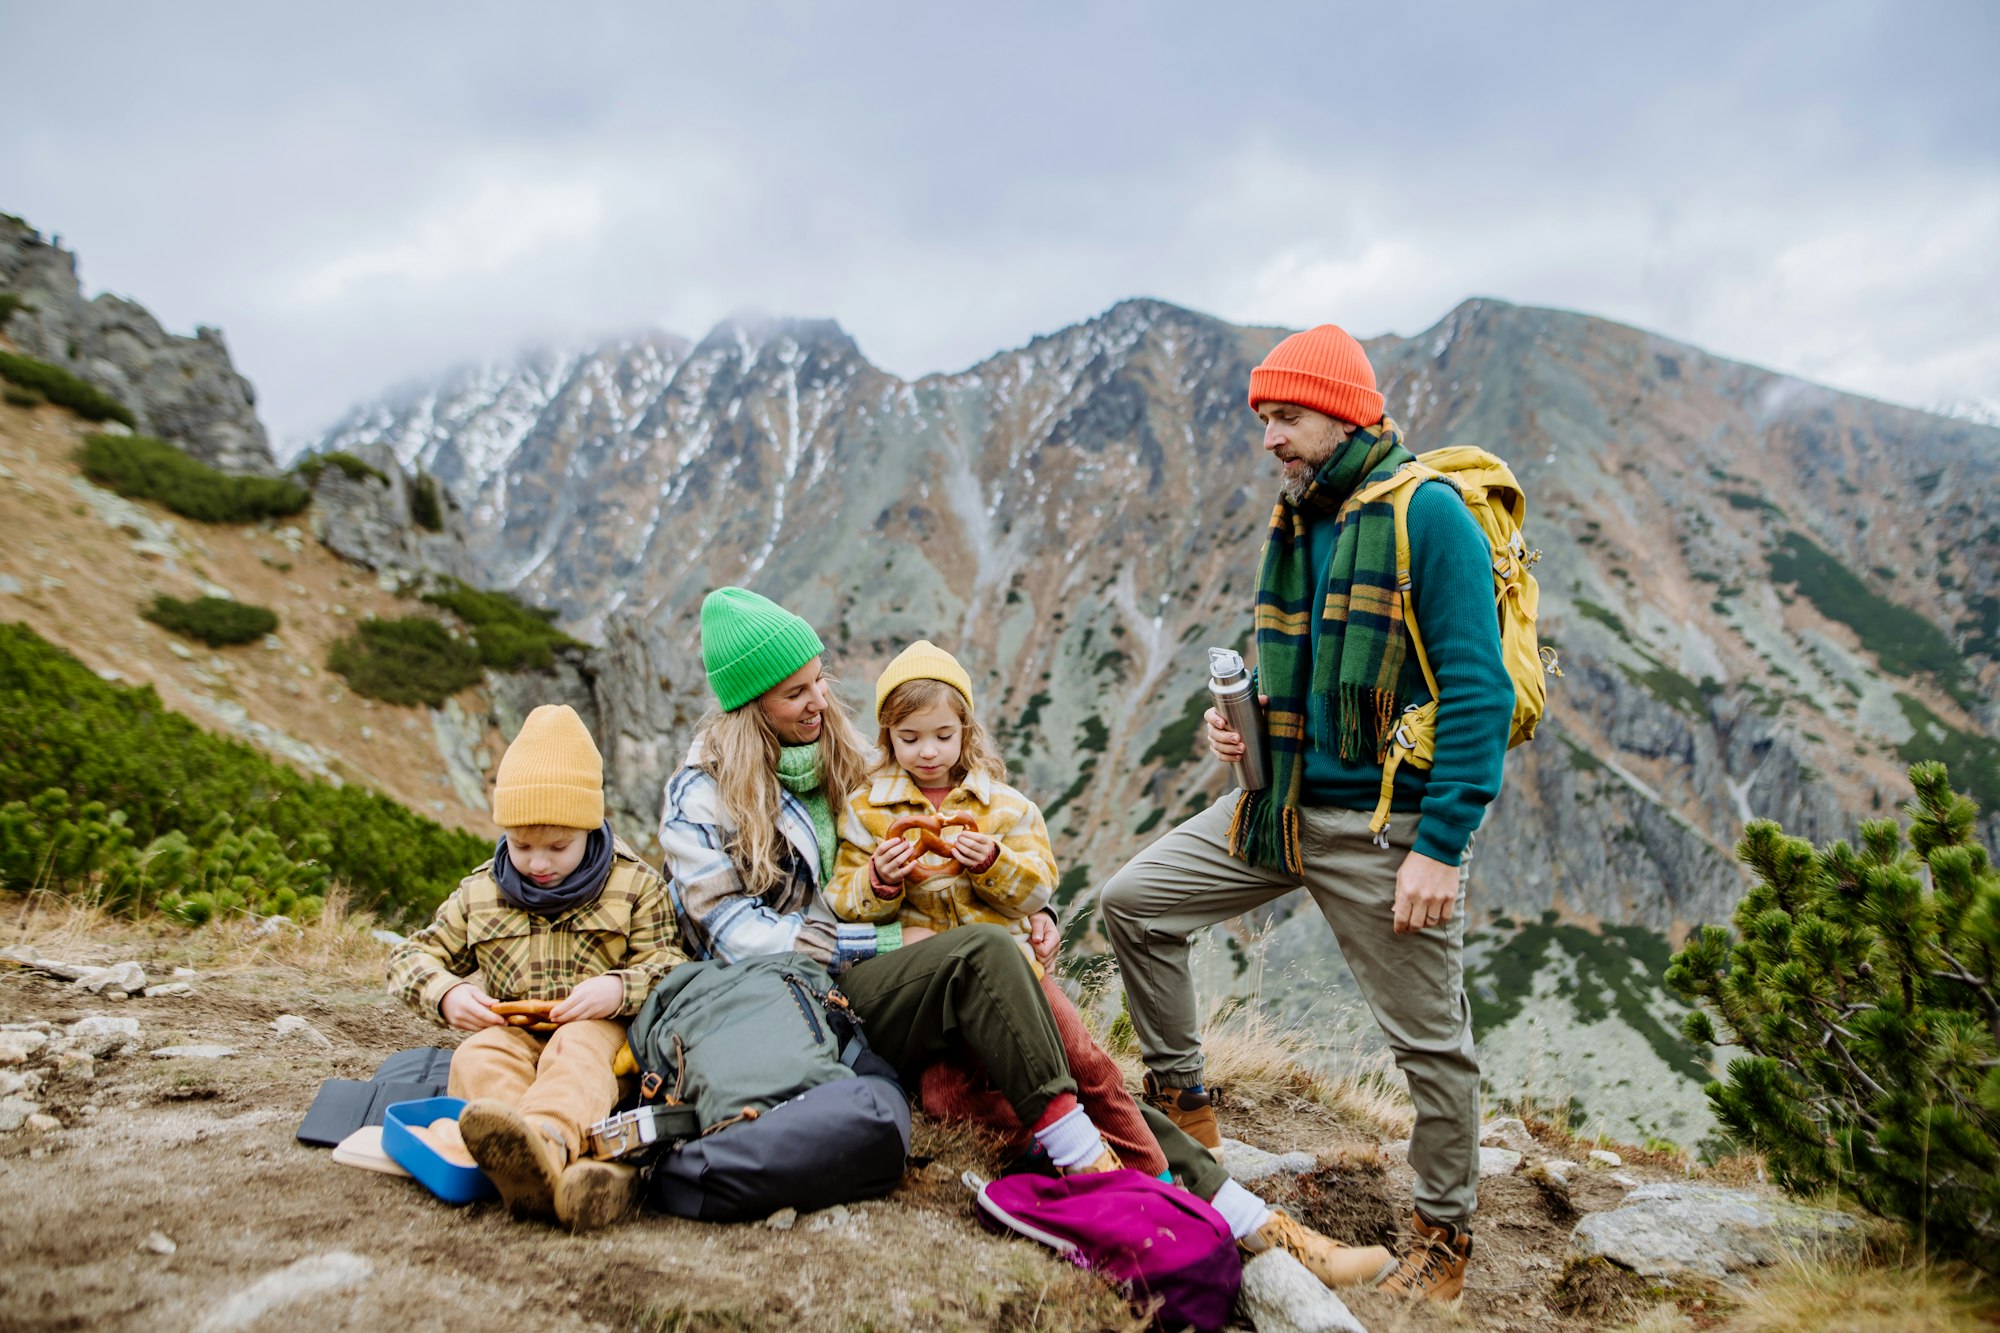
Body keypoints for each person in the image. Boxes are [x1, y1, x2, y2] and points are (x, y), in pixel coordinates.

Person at [661, 589, 1392, 1288]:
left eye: (819, 680)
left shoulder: (842, 753)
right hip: (809, 1001)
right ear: (748, 705)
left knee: (1073, 1063)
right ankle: (1095, 1171)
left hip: (900, 978)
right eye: (796, 693)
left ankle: (1255, 1222)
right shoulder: (702, 791)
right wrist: (881, 941)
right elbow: (738, 941)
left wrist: (1022, 915)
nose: (820, 701)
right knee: (985, 958)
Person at [1099, 324, 1515, 1301]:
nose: (1267, 437)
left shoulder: (1429, 517)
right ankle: (1183, 1106)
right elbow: (1296, 672)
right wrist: (1243, 735)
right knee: (1133, 902)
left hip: (1383, 831)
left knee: (1429, 1046)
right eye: (1261, 417)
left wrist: (1439, 847)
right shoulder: (1302, 518)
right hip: (1277, 806)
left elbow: (1477, 690)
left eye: (1282, 415)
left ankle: (1442, 1236)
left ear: (1344, 408)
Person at [827, 638, 1164, 1176]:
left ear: (966, 730)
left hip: (1014, 968)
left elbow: (1037, 891)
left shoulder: (1005, 808)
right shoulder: (867, 810)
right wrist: (880, 881)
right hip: (933, 993)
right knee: (943, 1095)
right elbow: (843, 900)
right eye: (909, 738)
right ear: (887, 736)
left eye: (943, 735)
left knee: (1084, 1060)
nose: (929, 751)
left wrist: (992, 863)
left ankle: (1153, 1171)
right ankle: (1042, 1148)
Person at [387, 704, 683, 1231]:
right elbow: (411, 956)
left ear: (589, 830)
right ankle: (544, 1163)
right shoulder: (479, 892)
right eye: (522, 846)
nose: (538, 863)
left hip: (601, 1038)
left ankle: (544, 1141)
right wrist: (446, 993)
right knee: (478, 1054)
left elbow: (671, 963)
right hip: (514, 1032)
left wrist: (617, 990)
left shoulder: (636, 886)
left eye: (558, 847)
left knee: (576, 1054)